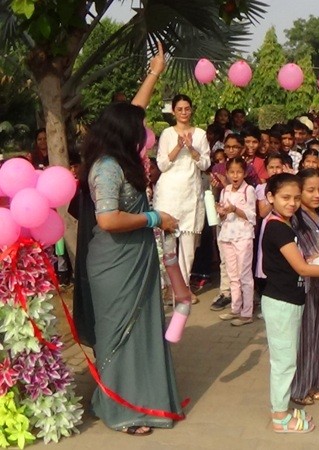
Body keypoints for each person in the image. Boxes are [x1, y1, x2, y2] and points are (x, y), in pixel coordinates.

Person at [76, 43, 185, 435]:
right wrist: (155, 217)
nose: (144, 133)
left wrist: (154, 72)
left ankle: (145, 398)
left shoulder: (122, 156)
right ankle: (121, 408)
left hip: (135, 256)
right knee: (120, 332)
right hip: (114, 263)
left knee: (142, 327)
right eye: (139, 130)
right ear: (126, 134)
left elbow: (134, 110)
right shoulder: (107, 167)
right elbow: (108, 219)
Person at [260, 173, 319, 433]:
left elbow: (302, 260)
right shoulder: (278, 228)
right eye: (285, 197)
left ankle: (282, 410)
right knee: (284, 363)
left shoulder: (284, 224)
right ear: (270, 197)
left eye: (295, 198)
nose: (291, 203)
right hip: (281, 302)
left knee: (286, 360)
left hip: (289, 300)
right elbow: (302, 268)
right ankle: (280, 418)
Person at [153, 94, 211, 294]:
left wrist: (191, 148)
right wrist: (179, 146)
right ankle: (168, 287)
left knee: (188, 246)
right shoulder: (167, 134)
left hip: (191, 192)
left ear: (191, 110)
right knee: (168, 243)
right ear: (174, 111)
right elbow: (162, 164)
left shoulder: (200, 134)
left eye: (187, 108)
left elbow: (205, 163)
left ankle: (183, 288)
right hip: (169, 193)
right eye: (180, 109)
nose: (184, 112)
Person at [289, 169, 319, 406]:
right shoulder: (295, 219)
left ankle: (314, 383)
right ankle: (299, 389)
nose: (317, 195)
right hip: (305, 284)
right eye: (310, 190)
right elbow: (297, 255)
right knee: (305, 337)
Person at [215, 156, 256, 326]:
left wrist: (234, 209)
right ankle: (235, 308)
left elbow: (251, 215)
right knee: (232, 275)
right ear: (227, 173)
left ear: (244, 173)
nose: (235, 175)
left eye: (239, 172)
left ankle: (247, 313)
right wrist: (221, 212)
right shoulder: (225, 191)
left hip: (243, 236)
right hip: (227, 235)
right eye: (232, 172)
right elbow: (222, 217)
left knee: (244, 275)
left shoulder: (248, 190)